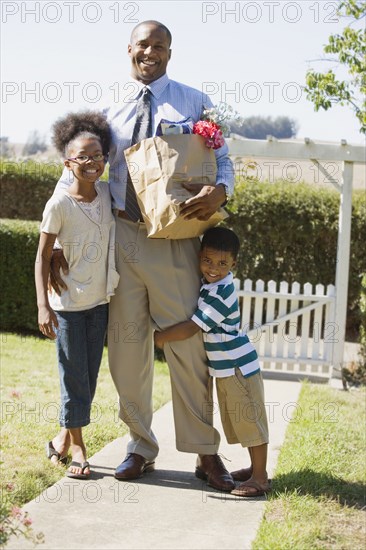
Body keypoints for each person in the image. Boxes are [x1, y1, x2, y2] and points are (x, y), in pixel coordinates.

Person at [51, 20, 235, 491]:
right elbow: (79, 165)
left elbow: (224, 160)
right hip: (121, 240)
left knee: (187, 347)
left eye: (159, 45)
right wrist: (53, 239)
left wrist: (220, 191)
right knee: (128, 353)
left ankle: (205, 453)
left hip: (176, 241)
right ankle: (140, 445)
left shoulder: (195, 102)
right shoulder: (108, 106)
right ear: (128, 50)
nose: (149, 52)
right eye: (142, 45)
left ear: (170, 52)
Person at [154, 227, 271, 497]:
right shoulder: (211, 285)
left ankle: (261, 478)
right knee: (242, 423)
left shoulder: (220, 293)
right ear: (198, 257)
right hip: (228, 369)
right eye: (207, 261)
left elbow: (192, 328)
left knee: (251, 422)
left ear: (233, 264)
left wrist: (160, 337)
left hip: (238, 367)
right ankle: (255, 470)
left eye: (222, 263)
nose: (213, 268)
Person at [35, 111, 119, 479]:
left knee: (89, 379)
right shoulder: (58, 204)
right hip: (67, 307)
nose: (90, 162)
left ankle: (61, 441)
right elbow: (42, 256)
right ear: (68, 162)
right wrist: (42, 306)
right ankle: (81, 451)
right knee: (73, 379)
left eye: (97, 155)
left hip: (99, 303)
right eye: (81, 156)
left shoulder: (105, 193)